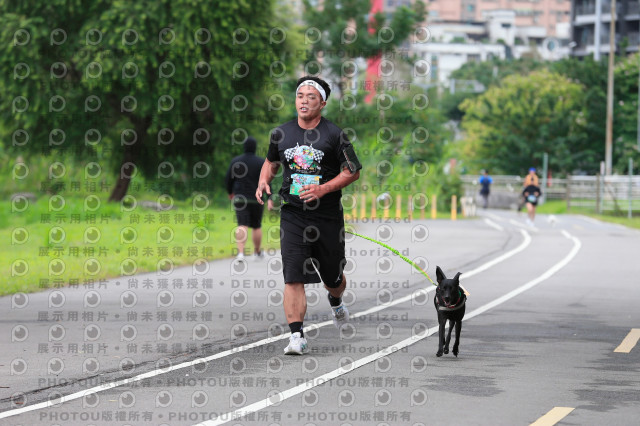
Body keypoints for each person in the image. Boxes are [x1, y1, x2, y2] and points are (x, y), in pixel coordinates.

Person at [255, 75, 362, 355]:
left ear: (322, 103)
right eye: (300, 96)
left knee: (333, 278)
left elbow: (352, 171)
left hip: (326, 216)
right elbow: (271, 161)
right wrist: (263, 180)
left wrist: (322, 189)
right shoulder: (281, 133)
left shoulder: (334, 135)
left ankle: (336, 300)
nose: (304, 100)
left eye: (310, 97)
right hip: (292, 213)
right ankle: (296, 336)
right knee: (293, 276)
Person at [224, 136, 273, 262]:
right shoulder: (261, 162)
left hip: (240, 198)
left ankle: (240, 253)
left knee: (242, 224)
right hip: (257, 198)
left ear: (244, 147)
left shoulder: (236, 161)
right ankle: (257, 252)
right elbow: (267, 180)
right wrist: (270, 197)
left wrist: (230, 192)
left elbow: (228, 179)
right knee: (256, 226)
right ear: (255, 147)